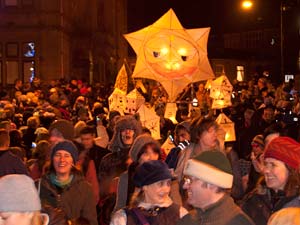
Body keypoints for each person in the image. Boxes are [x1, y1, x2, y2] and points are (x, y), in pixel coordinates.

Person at [177, 150, 254, 225]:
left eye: (190, 180)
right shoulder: (188, 220)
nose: (184, 186)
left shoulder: (237, 222)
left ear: (212, 184)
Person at [241, 136, 300, 225]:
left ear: (291, 169)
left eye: (273, 165)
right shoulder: (254, 199)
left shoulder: (296, 208)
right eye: (266, 164)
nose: (266, 170)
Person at [38, 140, 97, 225]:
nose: (62, 160)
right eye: (58, 155)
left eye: (67, 156)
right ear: (52, 159)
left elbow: (91, 221)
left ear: (73, 161)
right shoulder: (39, 186)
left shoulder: (85, 188)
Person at [110, 160, 188, 225]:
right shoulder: (123, 219)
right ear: (145, 187)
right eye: (160, 184)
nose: (166, 189)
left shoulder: (180, 214)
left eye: (168, 183)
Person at [113, 134, 162, 212]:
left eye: (155, 153)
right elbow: (120, 207)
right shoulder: (126, 177)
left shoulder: (165, 177)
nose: (151, 157)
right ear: (137, 156)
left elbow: (174, 209)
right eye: (146, 154)